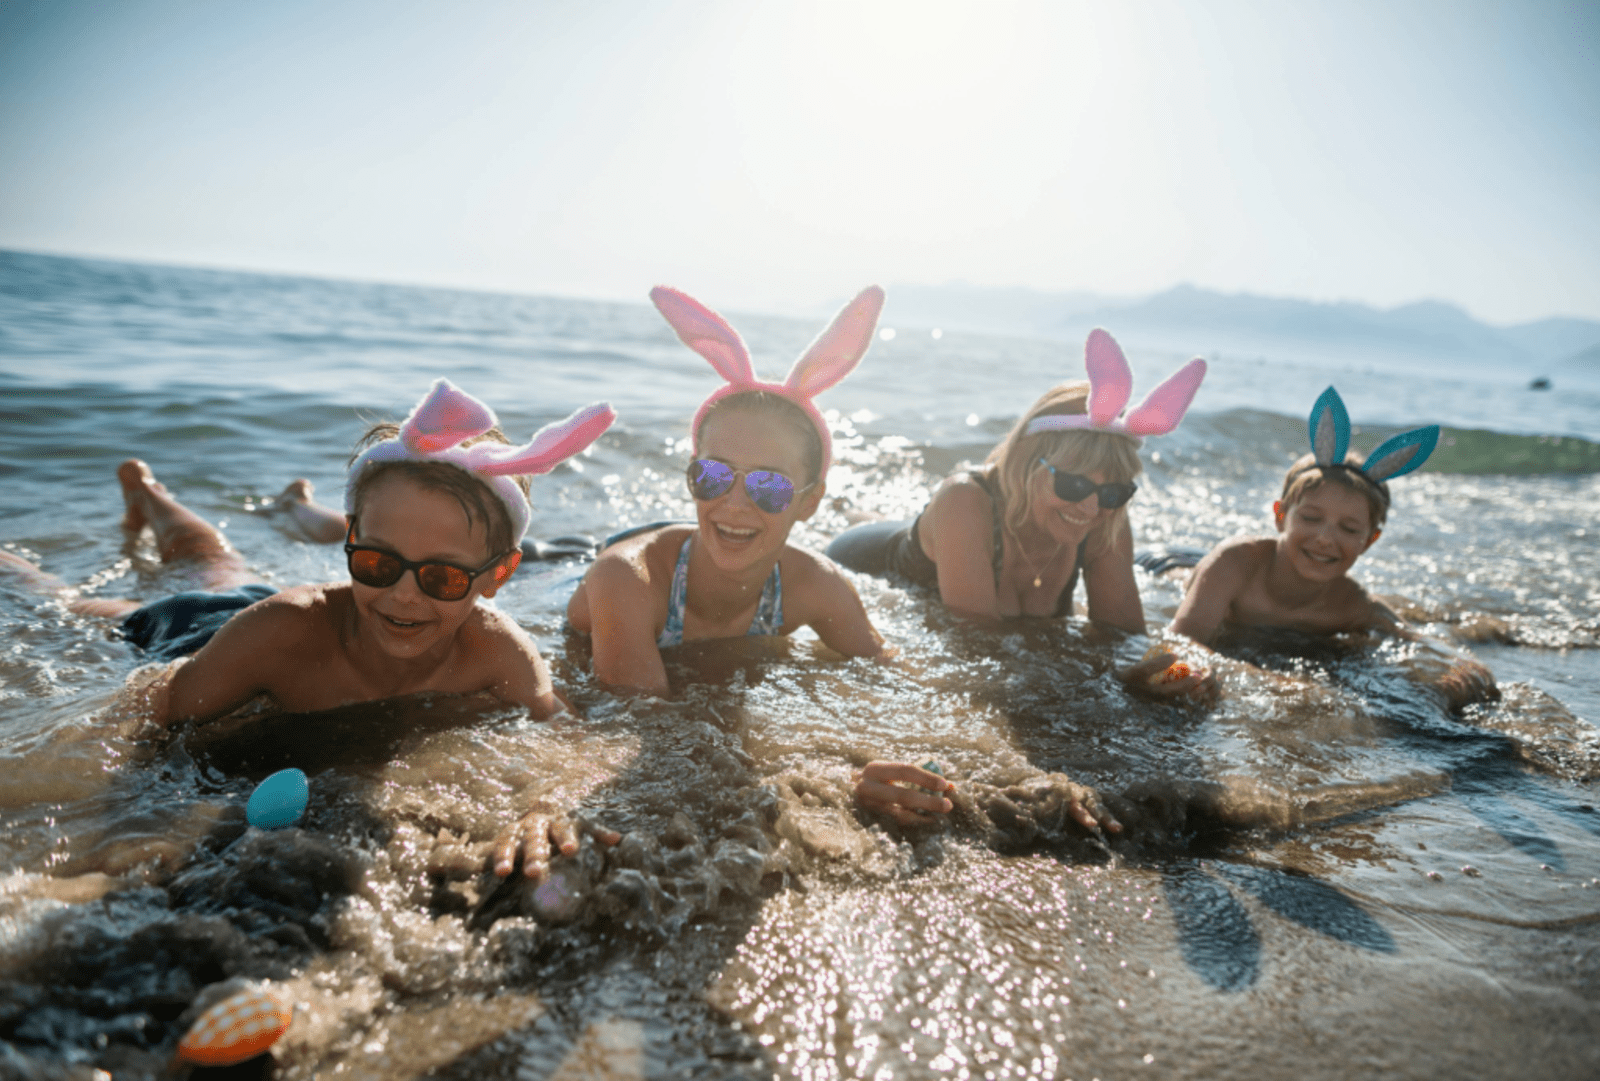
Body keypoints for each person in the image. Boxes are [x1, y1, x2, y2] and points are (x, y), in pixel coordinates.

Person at [0, 378, 619, 882]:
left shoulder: (494, 647)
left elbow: (561, 728)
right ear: (350, 538)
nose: (404, 593)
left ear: (498, 575)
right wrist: (125, 821)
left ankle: (154, 496)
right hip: (205, 631)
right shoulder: (283, 629)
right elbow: (151, 713)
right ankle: (137, 501)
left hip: (265, 616)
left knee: (219, 564)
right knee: (103, 591)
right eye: (378, 562)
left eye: (442, 578)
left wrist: (544, 806)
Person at [829, 329, 1211, 827]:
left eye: (1114, 491)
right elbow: (977, 642)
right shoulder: (966, 500)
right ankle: (856, 513)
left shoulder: (1103, 518)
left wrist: (1180, 674)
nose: (1091, 507)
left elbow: (1124, 639)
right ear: (1030, 463)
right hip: (863, 557)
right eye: (1073, 484)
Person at [564, 285, 886, 696]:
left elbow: (888, 672)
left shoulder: (814, 585)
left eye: (768, 486)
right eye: (713, 476)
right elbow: (639, 714)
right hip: (569, 567)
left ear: (809, 502)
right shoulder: (627, 578)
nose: (734, 503)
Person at [1164, 385, 1496, 708]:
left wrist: (1465, 669)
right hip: (1171, 562)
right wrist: (1269, 681)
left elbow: (1416, 639)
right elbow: (1179, 642)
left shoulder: (1351, 604)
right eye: (1310, 518)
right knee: (1181, 576)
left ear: (1369, 541)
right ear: (1280, 516)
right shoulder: (1234, 564)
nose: (1325, 538)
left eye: (1349, 528)